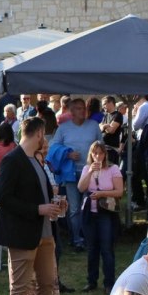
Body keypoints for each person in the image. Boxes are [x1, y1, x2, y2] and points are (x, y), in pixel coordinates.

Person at [0, 117, 67, 295]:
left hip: (45, 233)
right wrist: (38, 209)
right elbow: (3, 199)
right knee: (19, 286)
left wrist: (55, 206)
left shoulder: (37, 160)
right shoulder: (12, 160)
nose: (44, 139)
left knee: (46, 283)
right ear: (38, 133)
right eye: (44, 135)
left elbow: (42, 194)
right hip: (22, 234)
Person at [50, 97, 101, 250]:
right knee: (74, 208)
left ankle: (88, 236)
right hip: (71, 174)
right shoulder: (63, 128)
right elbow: (53, 147)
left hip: (90, 172)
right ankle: (76, 239)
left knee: (89, 205)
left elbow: (101, 145)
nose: (82, 110)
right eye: (78, 108)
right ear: (71, 112)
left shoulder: (93, 126)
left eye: (83, 108)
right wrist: (67, 154)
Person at [79, 141, 124, 292]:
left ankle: (109, 283)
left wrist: (102, 194)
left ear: (105, 154)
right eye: (95, 153)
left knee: (106, 249)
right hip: (90, 213)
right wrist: (91, 172)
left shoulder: (113, 169)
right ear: (91, 154)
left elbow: (119, 192)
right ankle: (91, 281)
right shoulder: (87, 168)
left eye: (100, 153)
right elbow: (81, 188)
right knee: (92, 249)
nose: (97, 156)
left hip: (106, 213)